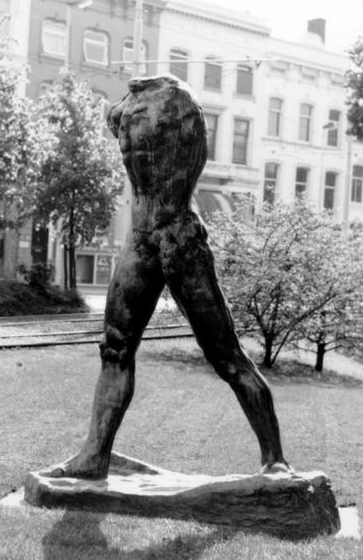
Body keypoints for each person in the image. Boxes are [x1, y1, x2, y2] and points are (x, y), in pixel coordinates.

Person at [45, 74, 288, 479]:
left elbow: (192, 155)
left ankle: (275, 459)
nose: (124, 132)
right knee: (114, 349)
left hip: (179, 239)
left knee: (226, 357)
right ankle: (94, 456)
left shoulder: (179, 102)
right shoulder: (132, 107)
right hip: (141, 241)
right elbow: (114, 117)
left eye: (131, 123)